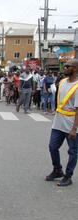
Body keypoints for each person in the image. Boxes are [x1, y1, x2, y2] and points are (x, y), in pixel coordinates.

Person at [45, 59, 78, 187]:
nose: (64, 68)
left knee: (73, 152)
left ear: (75, 69)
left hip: (71, 124)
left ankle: (68, 176)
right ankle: (57, 170)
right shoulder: (63, 82)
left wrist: (74, 128)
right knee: (52, 147)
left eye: (67, 66)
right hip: (58, 122)